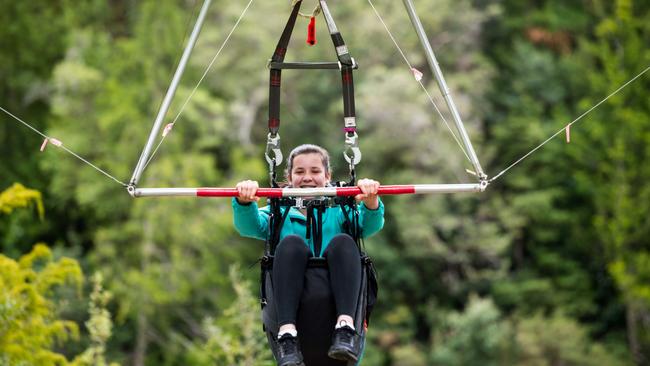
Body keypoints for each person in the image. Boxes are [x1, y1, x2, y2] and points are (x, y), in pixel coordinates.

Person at [232, 144, 384, 366]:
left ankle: (346, 326)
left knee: (343, 242)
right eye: (300, 172)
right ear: (290, 176)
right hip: (291, 310)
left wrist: (371, 202)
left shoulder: (341, 212)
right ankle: (287, 333)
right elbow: (249, 226)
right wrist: (244, 201)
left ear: (327, 176)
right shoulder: (278, 214)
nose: (307, 178)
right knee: (291, 244)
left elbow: (369, 225)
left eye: (315, 171)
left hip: (337, 304)